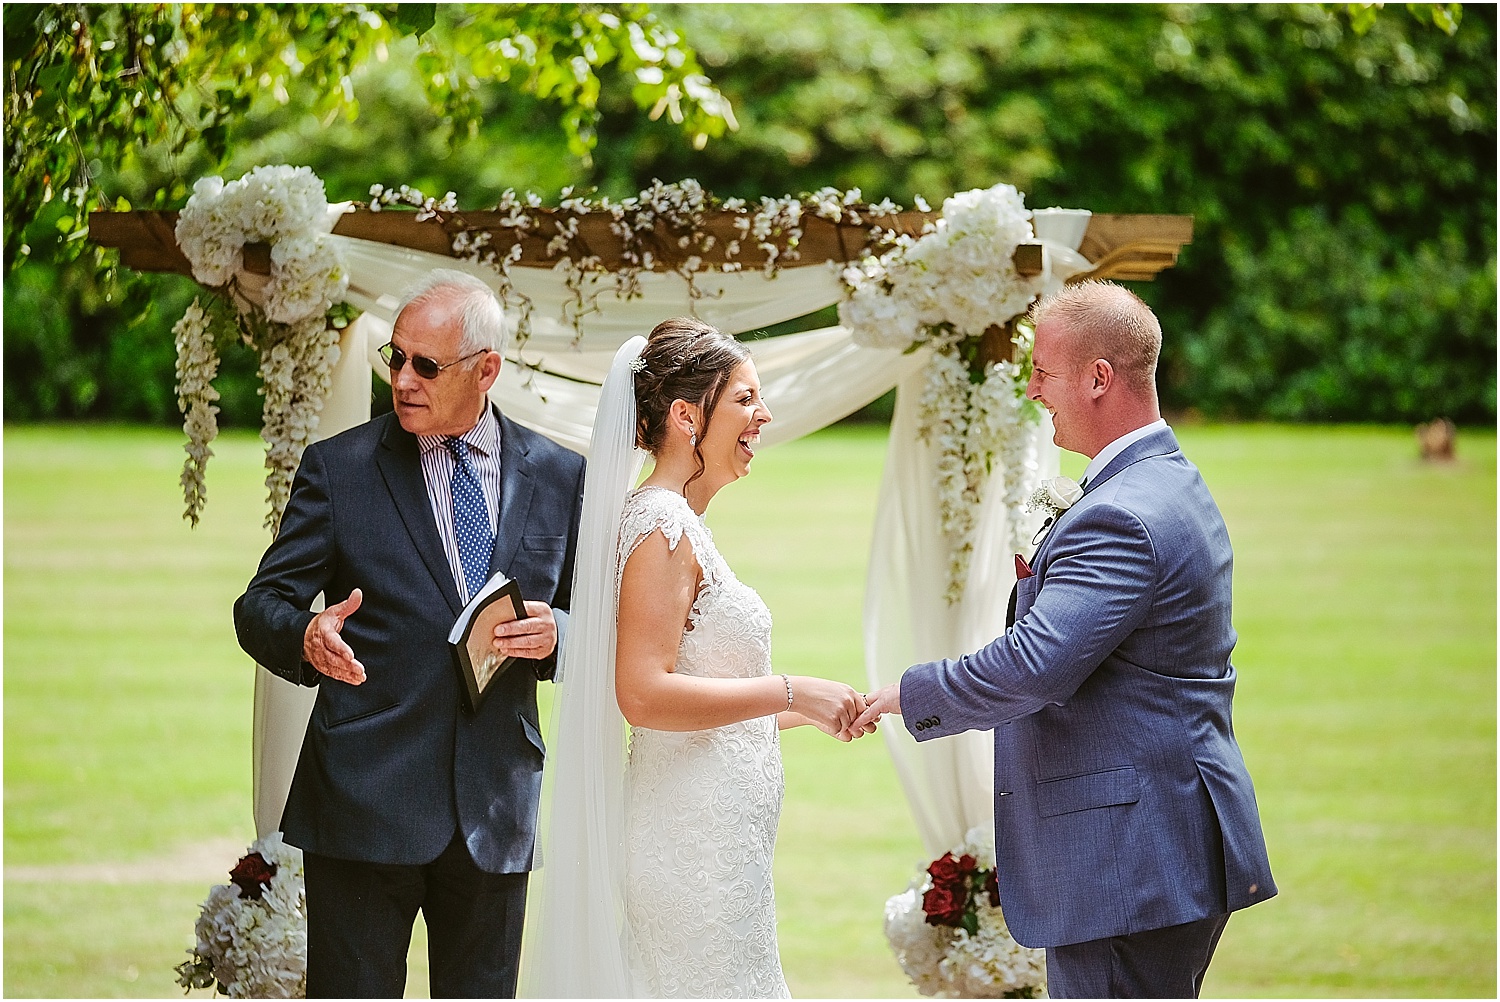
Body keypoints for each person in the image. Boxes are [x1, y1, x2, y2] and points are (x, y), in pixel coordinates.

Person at [853, 280, 1276, 999]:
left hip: (1127, 860)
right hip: (1159, 841)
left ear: (1098, 378)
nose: (1033, 389)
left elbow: (1035, 664)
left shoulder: (1123, 516)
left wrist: (907, 694)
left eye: (1043, 371)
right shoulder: (1166, 482)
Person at [233, 269, 585, 998]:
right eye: (397, 357)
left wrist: (562, 636)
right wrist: (304, 634)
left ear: (487, 369)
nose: (403, 379)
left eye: (427, 364)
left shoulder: (560, 477)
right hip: (362, 805)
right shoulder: (340, 469)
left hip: (496, 811)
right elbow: (259, 604)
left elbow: (596, 625)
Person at [522, 318, 871, 998]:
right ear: (686, 416)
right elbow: (644, 695)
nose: (763, 415)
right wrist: (791, 691)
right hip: (692, 848)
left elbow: (705, 705)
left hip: (720, 840)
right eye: (745, 398)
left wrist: (819, 711)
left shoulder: (682, 524)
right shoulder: (661, 524)